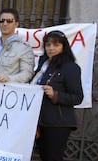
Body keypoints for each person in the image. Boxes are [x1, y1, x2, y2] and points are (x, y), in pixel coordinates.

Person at [31, 30, 83, 161]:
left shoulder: (70, 67)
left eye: (56, 45)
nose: (51, 48)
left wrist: (56, 95)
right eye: (48, 45)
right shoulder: (44, 66)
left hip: (58, 123)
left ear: (63, 46)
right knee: (44, 156)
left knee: (53, 158)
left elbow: (77, 97)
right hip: (42, 122)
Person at [0, 8, 34, 83]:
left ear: (16, 24)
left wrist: (9, 79)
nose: (5, 24)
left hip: (10, 92)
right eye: (2, 21)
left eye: (9, 21)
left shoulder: (24, 48)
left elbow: (27, 74)